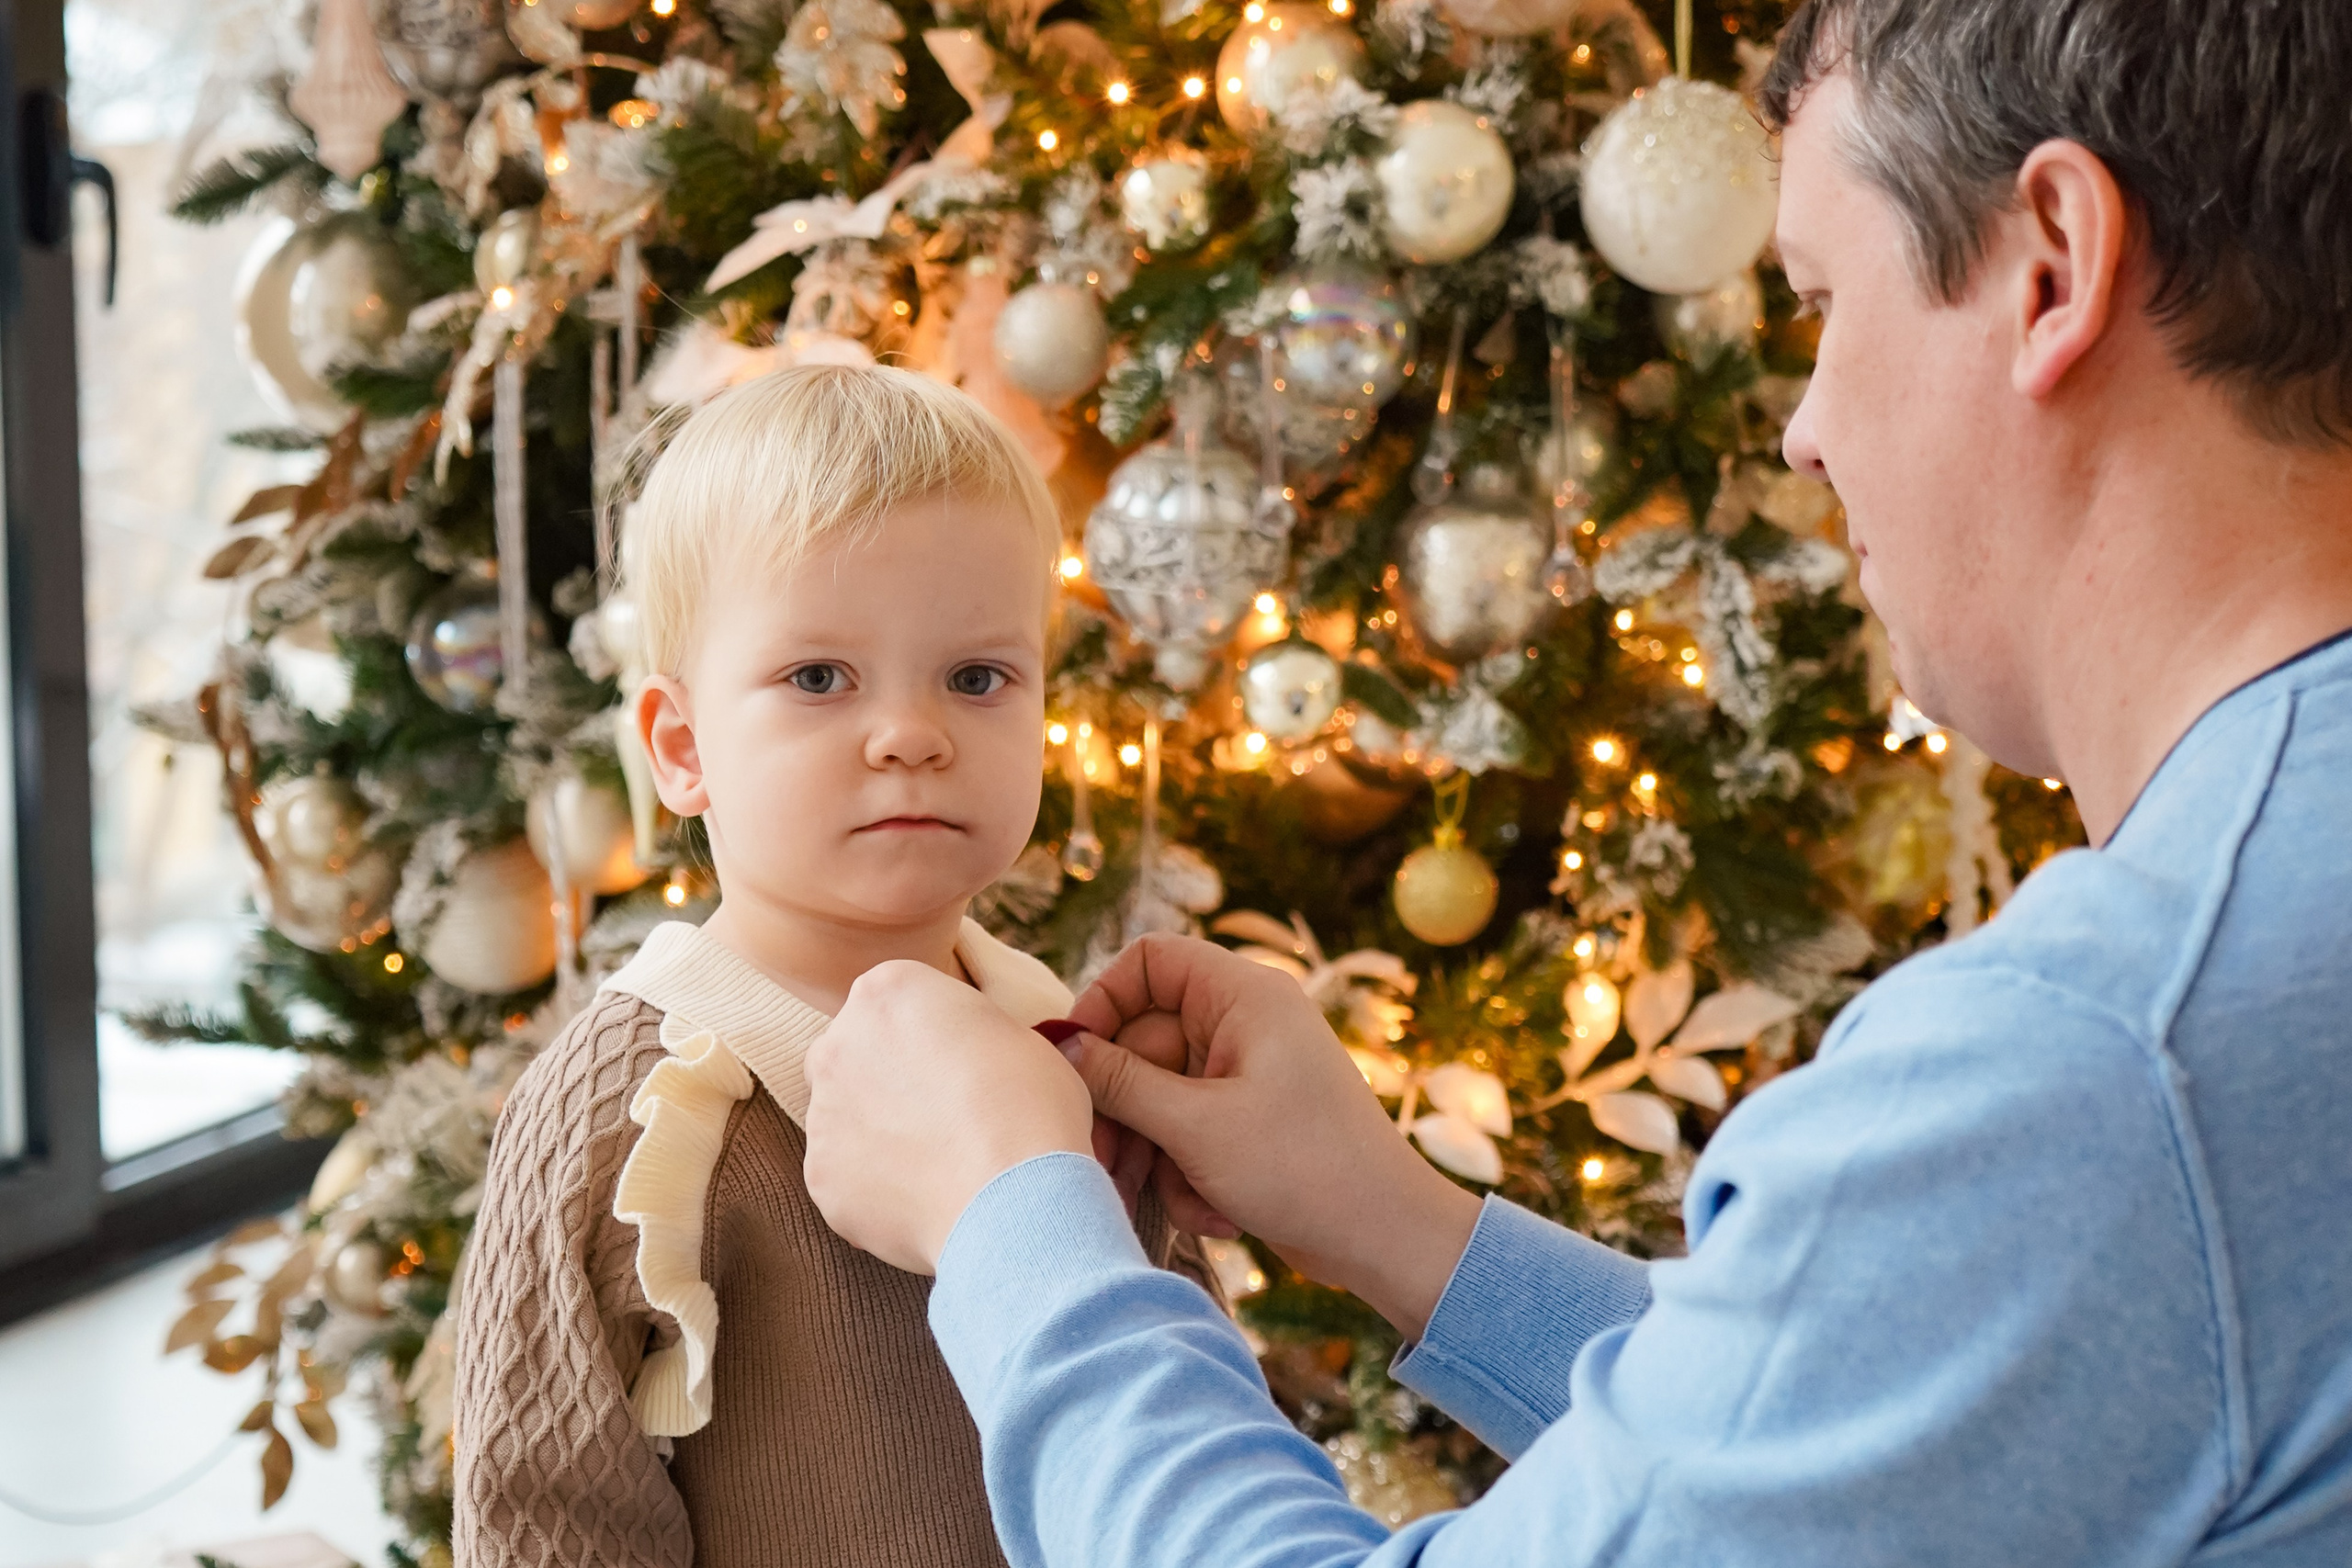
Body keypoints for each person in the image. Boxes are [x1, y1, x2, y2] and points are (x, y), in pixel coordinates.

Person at [801, 2, 2352, 1563]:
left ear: (2051, 266)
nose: (1807, 432)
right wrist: (1392, 1223)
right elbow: (1871, 1440)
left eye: (1822, 302)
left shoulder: (2112, 1063)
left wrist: (1013, 1227)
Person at [448, 365, 1214, 1567]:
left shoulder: (1058, 1042)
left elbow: (1173, 1386)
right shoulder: (624, 1110)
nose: (912, 733)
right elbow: (548, 1510)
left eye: (978, 677)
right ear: (684, 748)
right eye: (818, 678)